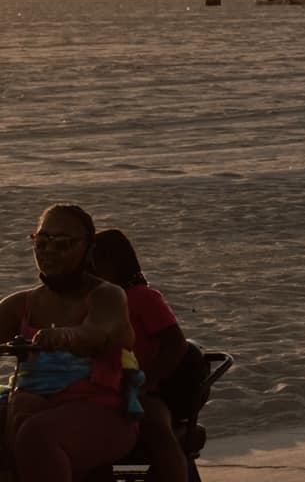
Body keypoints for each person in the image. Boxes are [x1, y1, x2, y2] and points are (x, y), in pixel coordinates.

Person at [0, 205, 139, 482]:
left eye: (62, 243)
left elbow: (97, 331)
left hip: (103, 410)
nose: (48, 250)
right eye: (41, 241)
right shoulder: (22, 304)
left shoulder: (107, 296)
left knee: (36, 435)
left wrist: (66, 336)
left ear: (88, 249)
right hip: (30, 403)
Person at [87, 230, 190, 482]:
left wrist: (147, 382)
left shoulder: (143, 297)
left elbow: (175, 344)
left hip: (144, 389)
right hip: (105, 387)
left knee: (155, 428)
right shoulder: (96, 301)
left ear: (113, 264)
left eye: (93, 266)